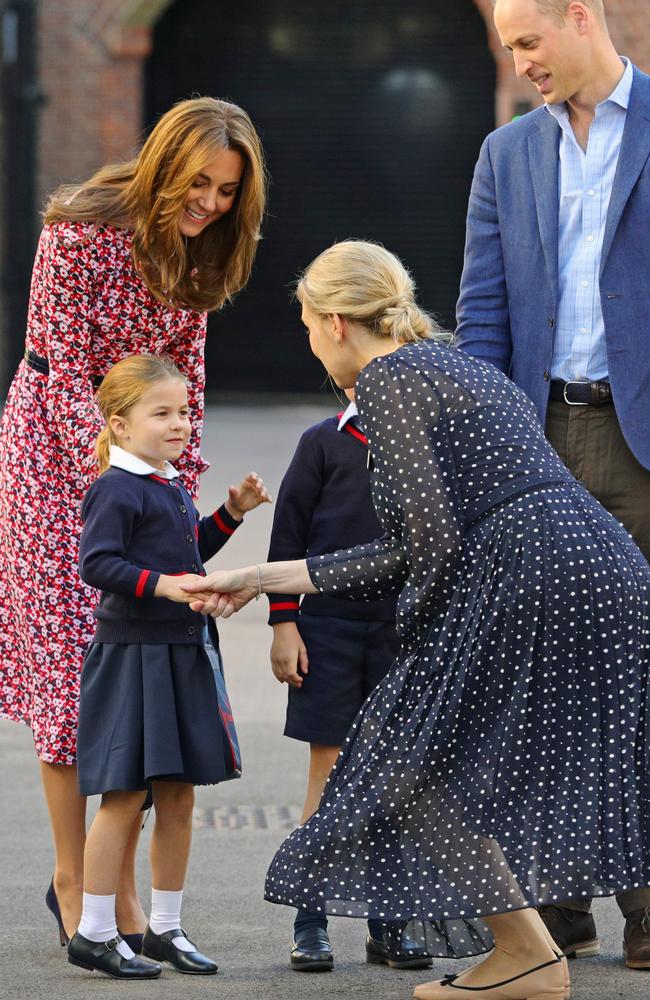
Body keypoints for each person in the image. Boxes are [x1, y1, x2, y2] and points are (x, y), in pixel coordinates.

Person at [184, 240, 650, 1000]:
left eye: (305, 325)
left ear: (336, 322)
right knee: (500, 763)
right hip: (599, 563)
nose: (308, 344)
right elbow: (421, 541)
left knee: (406, 761)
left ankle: (529, 957)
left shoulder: (388, 380)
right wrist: (269, 578)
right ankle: (530, 953)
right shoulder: (457, 364)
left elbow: (421, 547)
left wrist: (418, 658)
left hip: (529, 574)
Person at [0, 95, 266, 948]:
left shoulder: (204, 252)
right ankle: (74, 879)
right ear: (162, 165)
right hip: (55, 450)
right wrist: (124, 479)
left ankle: (121, 889)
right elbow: (64, 369)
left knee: (143, 662)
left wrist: (180, 500)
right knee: (75, 672)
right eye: (200, 184)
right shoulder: (79, 229)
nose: (210, 205)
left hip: (147, 455)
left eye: (227, 192)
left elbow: (187, 371)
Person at [455, 0, 650, 967]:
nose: (521, 61)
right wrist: (483, 454)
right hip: (537, 442)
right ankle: (555, 909)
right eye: (508, 48)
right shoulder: (505, 156)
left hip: (640, 441)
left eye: (529, 41)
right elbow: (482, 311)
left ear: (582, 17)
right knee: (545, 676)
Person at [65, 353, 270, 980]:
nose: (180, 423)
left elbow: (185, 553)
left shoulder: (167, 481)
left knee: (179, 796)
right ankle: (94, 934)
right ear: (120, 425)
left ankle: (164, 928)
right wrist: (168, 588)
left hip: (182, 654)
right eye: (162, 413)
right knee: (123, 796)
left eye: (183, 411)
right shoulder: (115, 487)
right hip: (133, 658)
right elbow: (98, 565)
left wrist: (230, 514)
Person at [267, 388, 431, 972]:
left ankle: (389, 924)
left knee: (395, 779)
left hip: (402, 631)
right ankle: (309, 921)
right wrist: (285, 625)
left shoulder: (424, 442)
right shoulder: (322, 443)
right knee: (329, 772)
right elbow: (287, 537)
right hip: (326, 627)